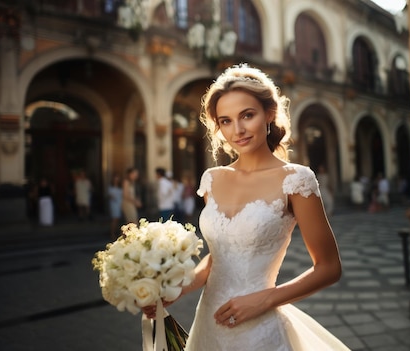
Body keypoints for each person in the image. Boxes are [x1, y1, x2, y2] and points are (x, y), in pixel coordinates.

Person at [143, 64, 349, 350]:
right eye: (225, 121)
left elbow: (329, 267)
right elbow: (217, 260)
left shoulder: (296, 180)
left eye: (247, 115)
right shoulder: (212, 180)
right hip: (209, 324)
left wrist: (265, 299)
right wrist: (174, 289)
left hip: (258, 330)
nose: (237, 130)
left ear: (269, 114)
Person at [107, 174, 123, 239]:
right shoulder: (110, 188)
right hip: (114, 204)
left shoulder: (120, 188)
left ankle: (116, 232)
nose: (116, 181)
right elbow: (110, 196)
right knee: (114, 219)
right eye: (115, 180)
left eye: (117, 180)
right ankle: (112, 233)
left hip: (120, 204)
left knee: (118, 219)